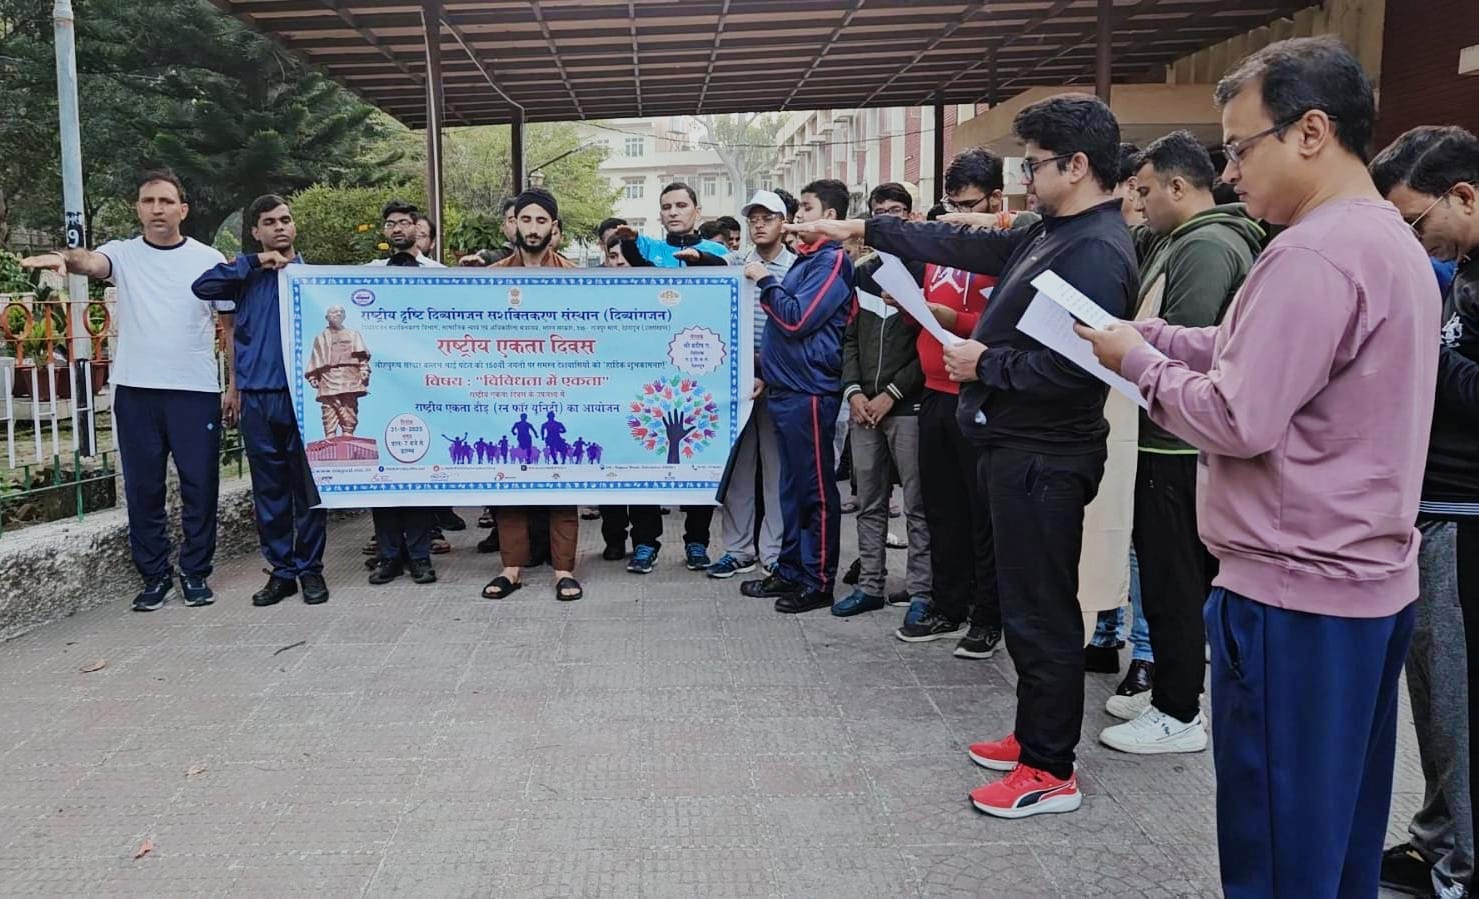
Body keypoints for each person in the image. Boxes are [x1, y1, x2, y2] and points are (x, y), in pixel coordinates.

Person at [1077, 38, 1438, 896]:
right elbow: (1272, 354)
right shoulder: (1382, 238)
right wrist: (1157, 338)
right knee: (1335, 831)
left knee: (1277, 841)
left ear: (1310, 131)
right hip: (1362, 582)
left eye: (1240, 147)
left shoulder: (1311, 253)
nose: (1230, 171)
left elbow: (1238, 416)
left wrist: (1138, 363)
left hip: (1293, 593)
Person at [799, 94, 1138, 817]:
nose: (1025, 179)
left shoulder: (1095, 250)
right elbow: (960, 245)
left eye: (1034, 165)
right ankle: (1033, 734)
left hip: (1045, 456)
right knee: (1025, 604)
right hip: (1015, 447)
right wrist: (865, 228)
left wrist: (987, 363)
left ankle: (1049, 767)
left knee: (1042, 611)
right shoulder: (1052, 231)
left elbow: (1082, 369)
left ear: (1077, 165)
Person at [1094, 132, 1262, 751]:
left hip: (1177, 444)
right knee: (1166, 578)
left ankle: (1178, 709)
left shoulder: (1207, 247)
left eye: (1144, 191)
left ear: (1177, 185)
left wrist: (1130, 352)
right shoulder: (1177, 239)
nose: (1138, 204)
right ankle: (1169, 690)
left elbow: (1186, 345)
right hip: (1164, 435)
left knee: (1174, 582)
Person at [22, 169, 229, 612]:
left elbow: (229, 324)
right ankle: (155, 577)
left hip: (193, 392)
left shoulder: (209, 258)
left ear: (183, 209)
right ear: (138, 209)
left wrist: (235, 387)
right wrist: (63, 258)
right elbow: (91, 262)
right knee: (142, 488)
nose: (157, 209)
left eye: (166, 201)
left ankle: (195, 572)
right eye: (148, 201)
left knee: (200, 487)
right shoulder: (123, 254)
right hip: (136, 391)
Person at [1370, 124, 1479, 899]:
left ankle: (1464, 869)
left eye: (1414, 220)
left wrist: (1417, 347)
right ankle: (1440, 837)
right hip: (1433, 510)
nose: (1412, 240)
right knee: (1437, 704)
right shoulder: (1461, 270)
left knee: (1458, 704)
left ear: (1462, 196)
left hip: (1465, 517)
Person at [891, 148, 1030, 659]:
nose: (959, 216)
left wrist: (953, 320)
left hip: (981, 397)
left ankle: (988, 615)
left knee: (983, 515)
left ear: (996, 199)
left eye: (969, 205)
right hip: (934, 393)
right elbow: (927, 318)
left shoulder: (1010, 251)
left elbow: (1006, 327)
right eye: (952, 205)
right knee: (941, 509)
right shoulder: (942, 248)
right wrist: (910, 305)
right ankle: (948, 604)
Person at [191, 194, 330, 607]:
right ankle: (281, 572)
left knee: (310, 490)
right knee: (269, 492)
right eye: (269, 222)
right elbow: (202, 286)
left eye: (285, 219)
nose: (279, 227)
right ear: (256, 231)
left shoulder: (315, 278)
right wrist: (253, 262)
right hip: (257, 397)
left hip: (304, 399)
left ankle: (311, 570)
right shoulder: (243, 277)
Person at [738, 179, 856, 614]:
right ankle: (789, 569)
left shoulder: (832, 262)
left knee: (815, 490)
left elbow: (796, 319)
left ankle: (818, 580)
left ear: (831, 217)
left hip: (810, 391)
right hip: (787, 388)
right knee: (789, 488)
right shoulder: (808, 260)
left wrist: (766, 281)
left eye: (806, 208)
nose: (798, 216)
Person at [615, 182, 731, 574]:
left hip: (700, 371)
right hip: (652, 370)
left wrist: (698, 259)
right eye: (667, 206)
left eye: (681, 205)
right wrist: (627, 239)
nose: (674, 212)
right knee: (645, 457)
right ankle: (645, 543)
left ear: (697, 210)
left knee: (698, 455)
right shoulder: (651, 248)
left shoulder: (717, 251)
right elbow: (634, 257)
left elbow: (725, 274)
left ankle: (697, 542)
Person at [479, 189, 584, 603]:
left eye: (542, 221)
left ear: (553, 227)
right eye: (527, 220)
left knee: (563, 479)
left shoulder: (575, 277)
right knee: (509, 479)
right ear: (514, 224)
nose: (534, 228)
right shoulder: (491, 277)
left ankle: (564, 571)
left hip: (562, 392)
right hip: (508, 392)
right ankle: (511, 569)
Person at [832, 183, 929, 618]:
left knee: (917, 506)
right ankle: (870, 584)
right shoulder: (863, 272)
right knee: (869, 503)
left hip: (907, 408)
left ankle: (921, 592)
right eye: (879, 212)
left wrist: (892, 393)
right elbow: (850, 339)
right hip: (863, 409)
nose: (888, 218)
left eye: (896, 211)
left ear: (910, 215)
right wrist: (853, 391)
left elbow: (929, 345)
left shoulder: (928, 269)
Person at [707, 190, 796, 581]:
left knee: (777, 470)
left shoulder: (797, 268)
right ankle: (737, 550)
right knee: (739, 471)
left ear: (784, 222)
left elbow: (795, 326)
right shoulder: (734, 264)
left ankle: (773, 552)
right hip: (738, 382)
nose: (759, 225)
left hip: (779, 381)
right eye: (753, 219)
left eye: (768, 218)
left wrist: (767, 371)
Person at [304, 305, 370, 441]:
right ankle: (330, 433)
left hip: (350, 374)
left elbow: (362, 357)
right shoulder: (321, 338)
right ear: (327, 317)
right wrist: (313, 376)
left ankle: (348, 431)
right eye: (334, 312)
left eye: (341, 312)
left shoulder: (353, 334)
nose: (338, 314)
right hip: (328, 374)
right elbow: (315, 358)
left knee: (349, 403)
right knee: (329, 405)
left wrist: (364, 369)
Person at [460, 198, 517, 266]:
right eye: (513, 221)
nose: (518, 225)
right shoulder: (488, 259)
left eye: (525, 220)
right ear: (503, 226)